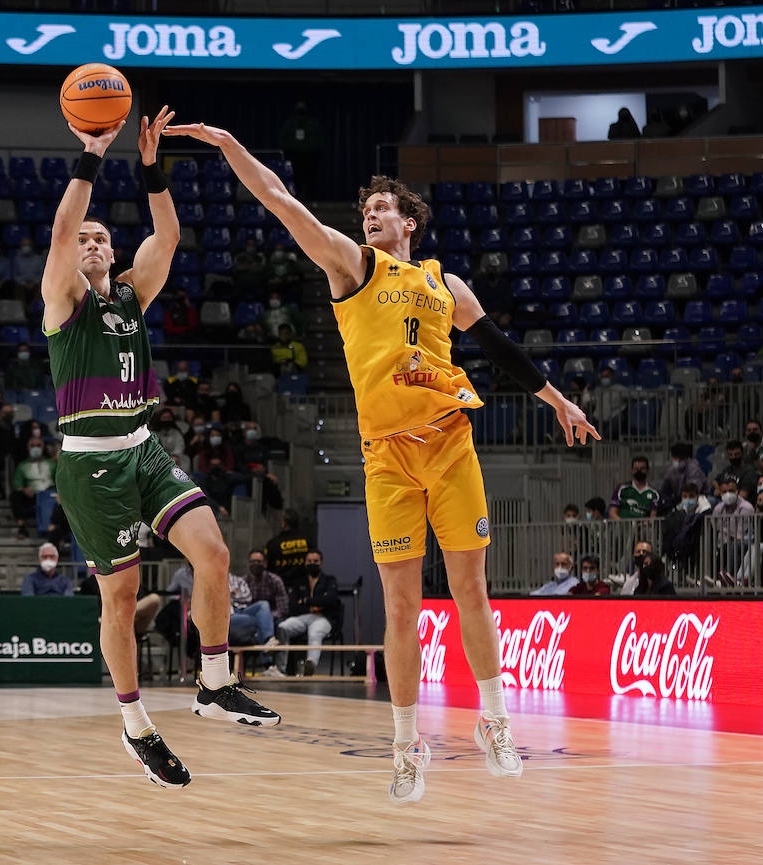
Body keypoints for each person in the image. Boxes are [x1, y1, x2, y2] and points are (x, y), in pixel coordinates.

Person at [166, 120, 597, 802]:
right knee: (402, 609)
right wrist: (229, 146)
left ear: (409, 222)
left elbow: (503, 351)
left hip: (451, 444)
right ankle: (405, 747)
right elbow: (281, 200)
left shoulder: (444, 283)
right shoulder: (351, 267)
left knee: (471, 592)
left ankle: (495, 722)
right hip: (386, 460)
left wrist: (558, 400)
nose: (368, 216)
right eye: (364, 211)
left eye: (380, 210)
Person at [43, 108, 279, 787]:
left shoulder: (131, 297)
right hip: (90, 462)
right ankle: (136, 725)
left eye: (100, 238)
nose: (89, 242)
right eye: (82, 237)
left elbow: (168, 234)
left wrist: (149, 166)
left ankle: (212, 681)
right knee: (120, 600)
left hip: (143, 447)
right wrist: (92, 155)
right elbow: (61, 228)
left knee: (214, 551)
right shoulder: (61, 301)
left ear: (114, 254)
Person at [275, 549, 339, 677]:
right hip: (302, 617)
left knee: (314, 632)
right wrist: (315, 605)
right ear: (305, 563)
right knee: (283, 627)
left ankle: (310, 665)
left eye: (315, 561)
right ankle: (280, 669)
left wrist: (305, 601)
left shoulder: (329, 580)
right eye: (309, 561)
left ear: (321, 563)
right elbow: (293, 606)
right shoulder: (299, 582)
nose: (312, 563)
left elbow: (331, 600)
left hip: (323, 618)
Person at [10, 438, 54, 539]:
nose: (35, 448)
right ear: (28, 448)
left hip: (49, 496)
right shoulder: (22, 465)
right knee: (15, 496)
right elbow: (18, 484)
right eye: (32, 445)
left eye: (38, 445)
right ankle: (21, 526)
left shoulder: (52, 464)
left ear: (43, 447)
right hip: (32, 496)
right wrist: (24, 489)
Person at [278, 101, 324, 199]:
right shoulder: (291, 123)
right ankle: (297, 200)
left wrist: (313, 150)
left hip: (310, 156)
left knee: (310, 180)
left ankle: (311, 201)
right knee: (296, 179)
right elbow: (283, 139)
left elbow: (319, 139)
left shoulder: (312, 123)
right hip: (294, 156)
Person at [265, 510, 312, 582]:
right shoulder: (307, 540)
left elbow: (267, 566)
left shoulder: (273, 543)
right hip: (303, 584)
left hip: (281, 584)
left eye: (281, 520)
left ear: (284, 523)